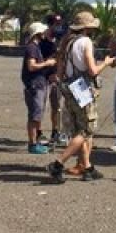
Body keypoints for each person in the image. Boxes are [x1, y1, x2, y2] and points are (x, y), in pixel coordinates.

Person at [46, 11, 114, 182]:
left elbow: (60, 72)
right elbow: (92, 70)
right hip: (83, 89)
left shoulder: (67, 42)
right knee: (86, 130)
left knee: (77, 129)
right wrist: (106, 63)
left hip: (70, 88)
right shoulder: (85, 42)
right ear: (87, 27)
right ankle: (58, 164)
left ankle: (87, 167)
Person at [21, 22, 56, 155]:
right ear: (38, 33)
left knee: (37, 114)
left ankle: (36, 140)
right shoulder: (32, 48)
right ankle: (33, 143)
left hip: (39, 84)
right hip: (35, 86)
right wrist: (47, 63)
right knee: (34, 115)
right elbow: (31, 66)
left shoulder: (35, 47)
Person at [42, 14, 65, 145]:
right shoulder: (42, 40)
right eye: (56, 24)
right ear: (50, 25)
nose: (59, 27)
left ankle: (55, 131)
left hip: (56, 77)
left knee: (56, 106)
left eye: (60, 24)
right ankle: (38, 133)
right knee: (41, 107)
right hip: (44, 78)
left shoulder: (59, 40)